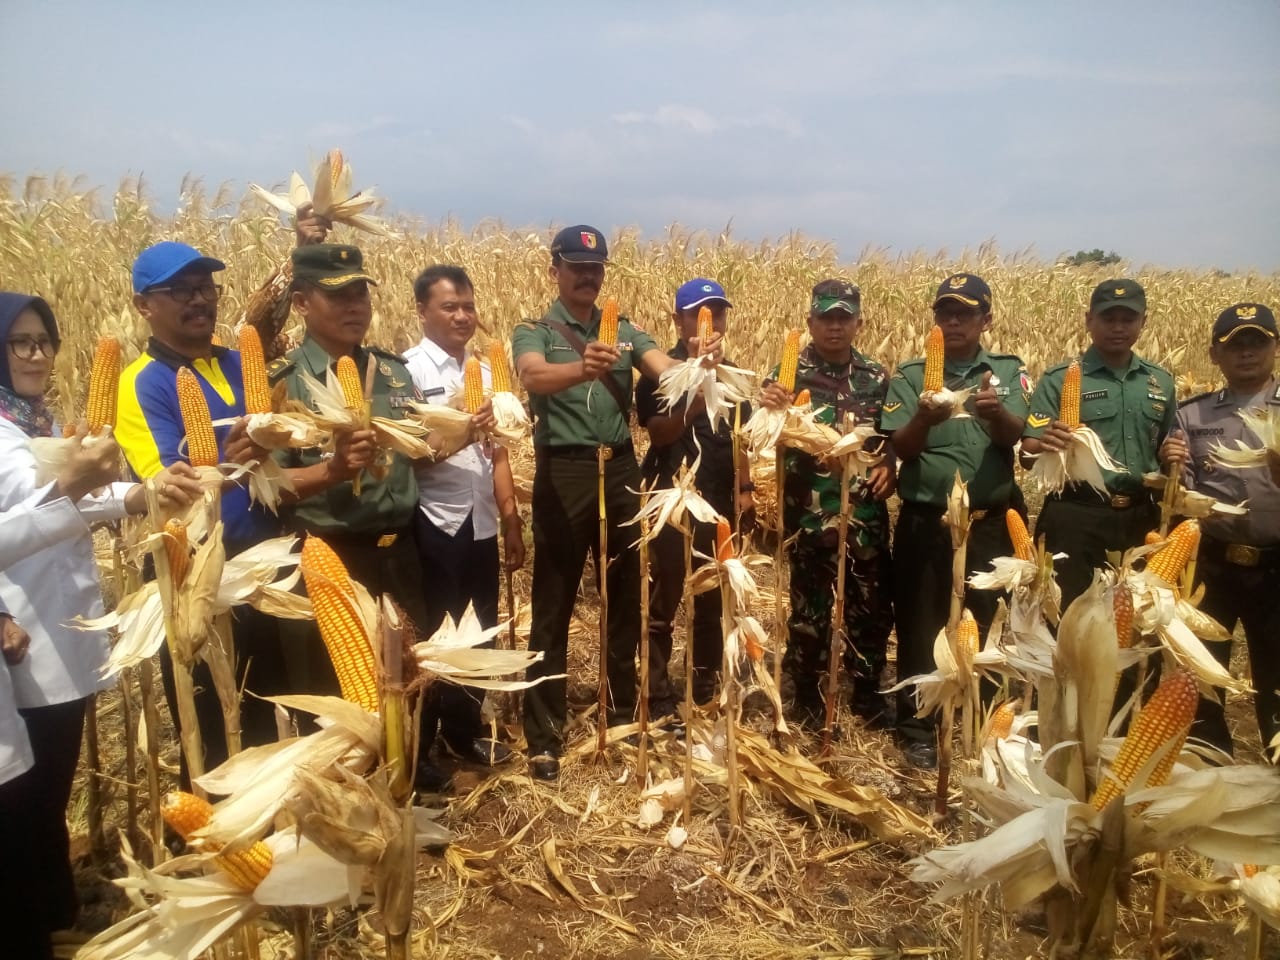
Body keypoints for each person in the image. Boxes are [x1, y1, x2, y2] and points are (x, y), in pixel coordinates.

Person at [0, 291, 201, 957]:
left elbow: (78, 493)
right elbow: (32, 515)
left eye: (44, 341)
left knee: (50, 785)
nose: (36, 353)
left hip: (67, 625)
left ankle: (55, 907)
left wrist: (142, 492)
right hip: (24, 635)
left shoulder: (37, 420)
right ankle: (35, 920)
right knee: (24, 798)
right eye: (20, 341)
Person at [512, 225, 722, 781]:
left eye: (597, 266)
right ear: (554, 268)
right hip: (566, 467)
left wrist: (699, 365)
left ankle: (624, 710)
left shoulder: (627, 331)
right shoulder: (534, 330)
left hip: (620, 466)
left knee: (626, 592)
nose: (588, 275)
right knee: (553, 601)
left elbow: (664, 372)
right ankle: (544, 733)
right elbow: (531, 375)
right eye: (577, 265)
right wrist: (580, 368)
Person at [117, 240, 293, 777]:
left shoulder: (244, 363)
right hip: (197, 569)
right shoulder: (140, 382)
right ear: (145, 305)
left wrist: (274, 438)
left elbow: (286, 435)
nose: (200, 300)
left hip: (265, 558)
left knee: (271, 708)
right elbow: (170, 481)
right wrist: (235, 452)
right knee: (217, 720)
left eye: (206, 288)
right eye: (181, 291)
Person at [880, 274, 1031, 769]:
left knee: (987, 625)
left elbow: (1021, 441)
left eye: (965, 313)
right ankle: (919, 727)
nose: (953, 321)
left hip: (990, 522)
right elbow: (900, 447)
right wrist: (925, 418)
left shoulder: (1009, 373)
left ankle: (983, 720)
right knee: (923, 625)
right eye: (945, 312)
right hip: (929, 522)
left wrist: (996, 416)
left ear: (987, 319)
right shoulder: (910, 375)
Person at [757, 279, 895, 729]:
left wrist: (890, 462)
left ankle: (868, 693)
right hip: (810, 516)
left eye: (843, 318)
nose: (835, 327)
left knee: (869, 608)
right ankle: (808, 694)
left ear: (858, 321)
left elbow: (893, 438)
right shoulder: (786, 375)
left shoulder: (877, 378)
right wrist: (769, 404)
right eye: (825, 318)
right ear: (811, 322)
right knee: (809, 612)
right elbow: (763, 431)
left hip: (864, 513)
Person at [403, 264, 523, 775]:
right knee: (436, 636)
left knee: (481, 632)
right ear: (422, 311)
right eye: (449, 306)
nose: (462, 316)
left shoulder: (489, 374)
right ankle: (421, 745)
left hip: (481, 522)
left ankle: (463, 732)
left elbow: (497, 452)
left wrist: (511, 517)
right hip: (436, 520)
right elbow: (406, 454)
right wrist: (461, 434)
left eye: (468, 306)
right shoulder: (407, 371)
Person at [1160, 303, 1280, 758]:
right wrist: (1170, 467)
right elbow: (1182, 494)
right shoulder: (1192, 416)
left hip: (1276, 566)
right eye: (1235, 345)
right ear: (1215, 354)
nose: (1246, 353)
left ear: (1275, 347)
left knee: (1278, 674)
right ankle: (1211, 758)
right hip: (1213, 562)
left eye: (1257, 342)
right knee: (1203, 669)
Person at [635, 278, 754, 716]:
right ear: (678, 320)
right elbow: (659, 433)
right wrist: (698, 395)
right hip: (673, 496)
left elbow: (740, 437)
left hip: (721, 497)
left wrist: (745, 488)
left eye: (717, 313)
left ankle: (704, 684)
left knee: (712, 595)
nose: (710, 322)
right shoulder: (658, 373)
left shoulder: (735, 374)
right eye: (698, 314)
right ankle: (658, 689)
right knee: (664, 595)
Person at [1022, 279, 1175, 608]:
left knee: (1132, 623)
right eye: (1108, 318)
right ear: (1089, 320)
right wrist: (1044, 443)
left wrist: (1173, 458)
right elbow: (1028, 450)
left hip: (1139, 517)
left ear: (1143, 322)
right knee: (1067, 621)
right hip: (1076, 515)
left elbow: (1167, 449)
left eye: (1128, 319)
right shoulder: (1060, 378)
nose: (1118, 327)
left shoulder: (1159, 381)